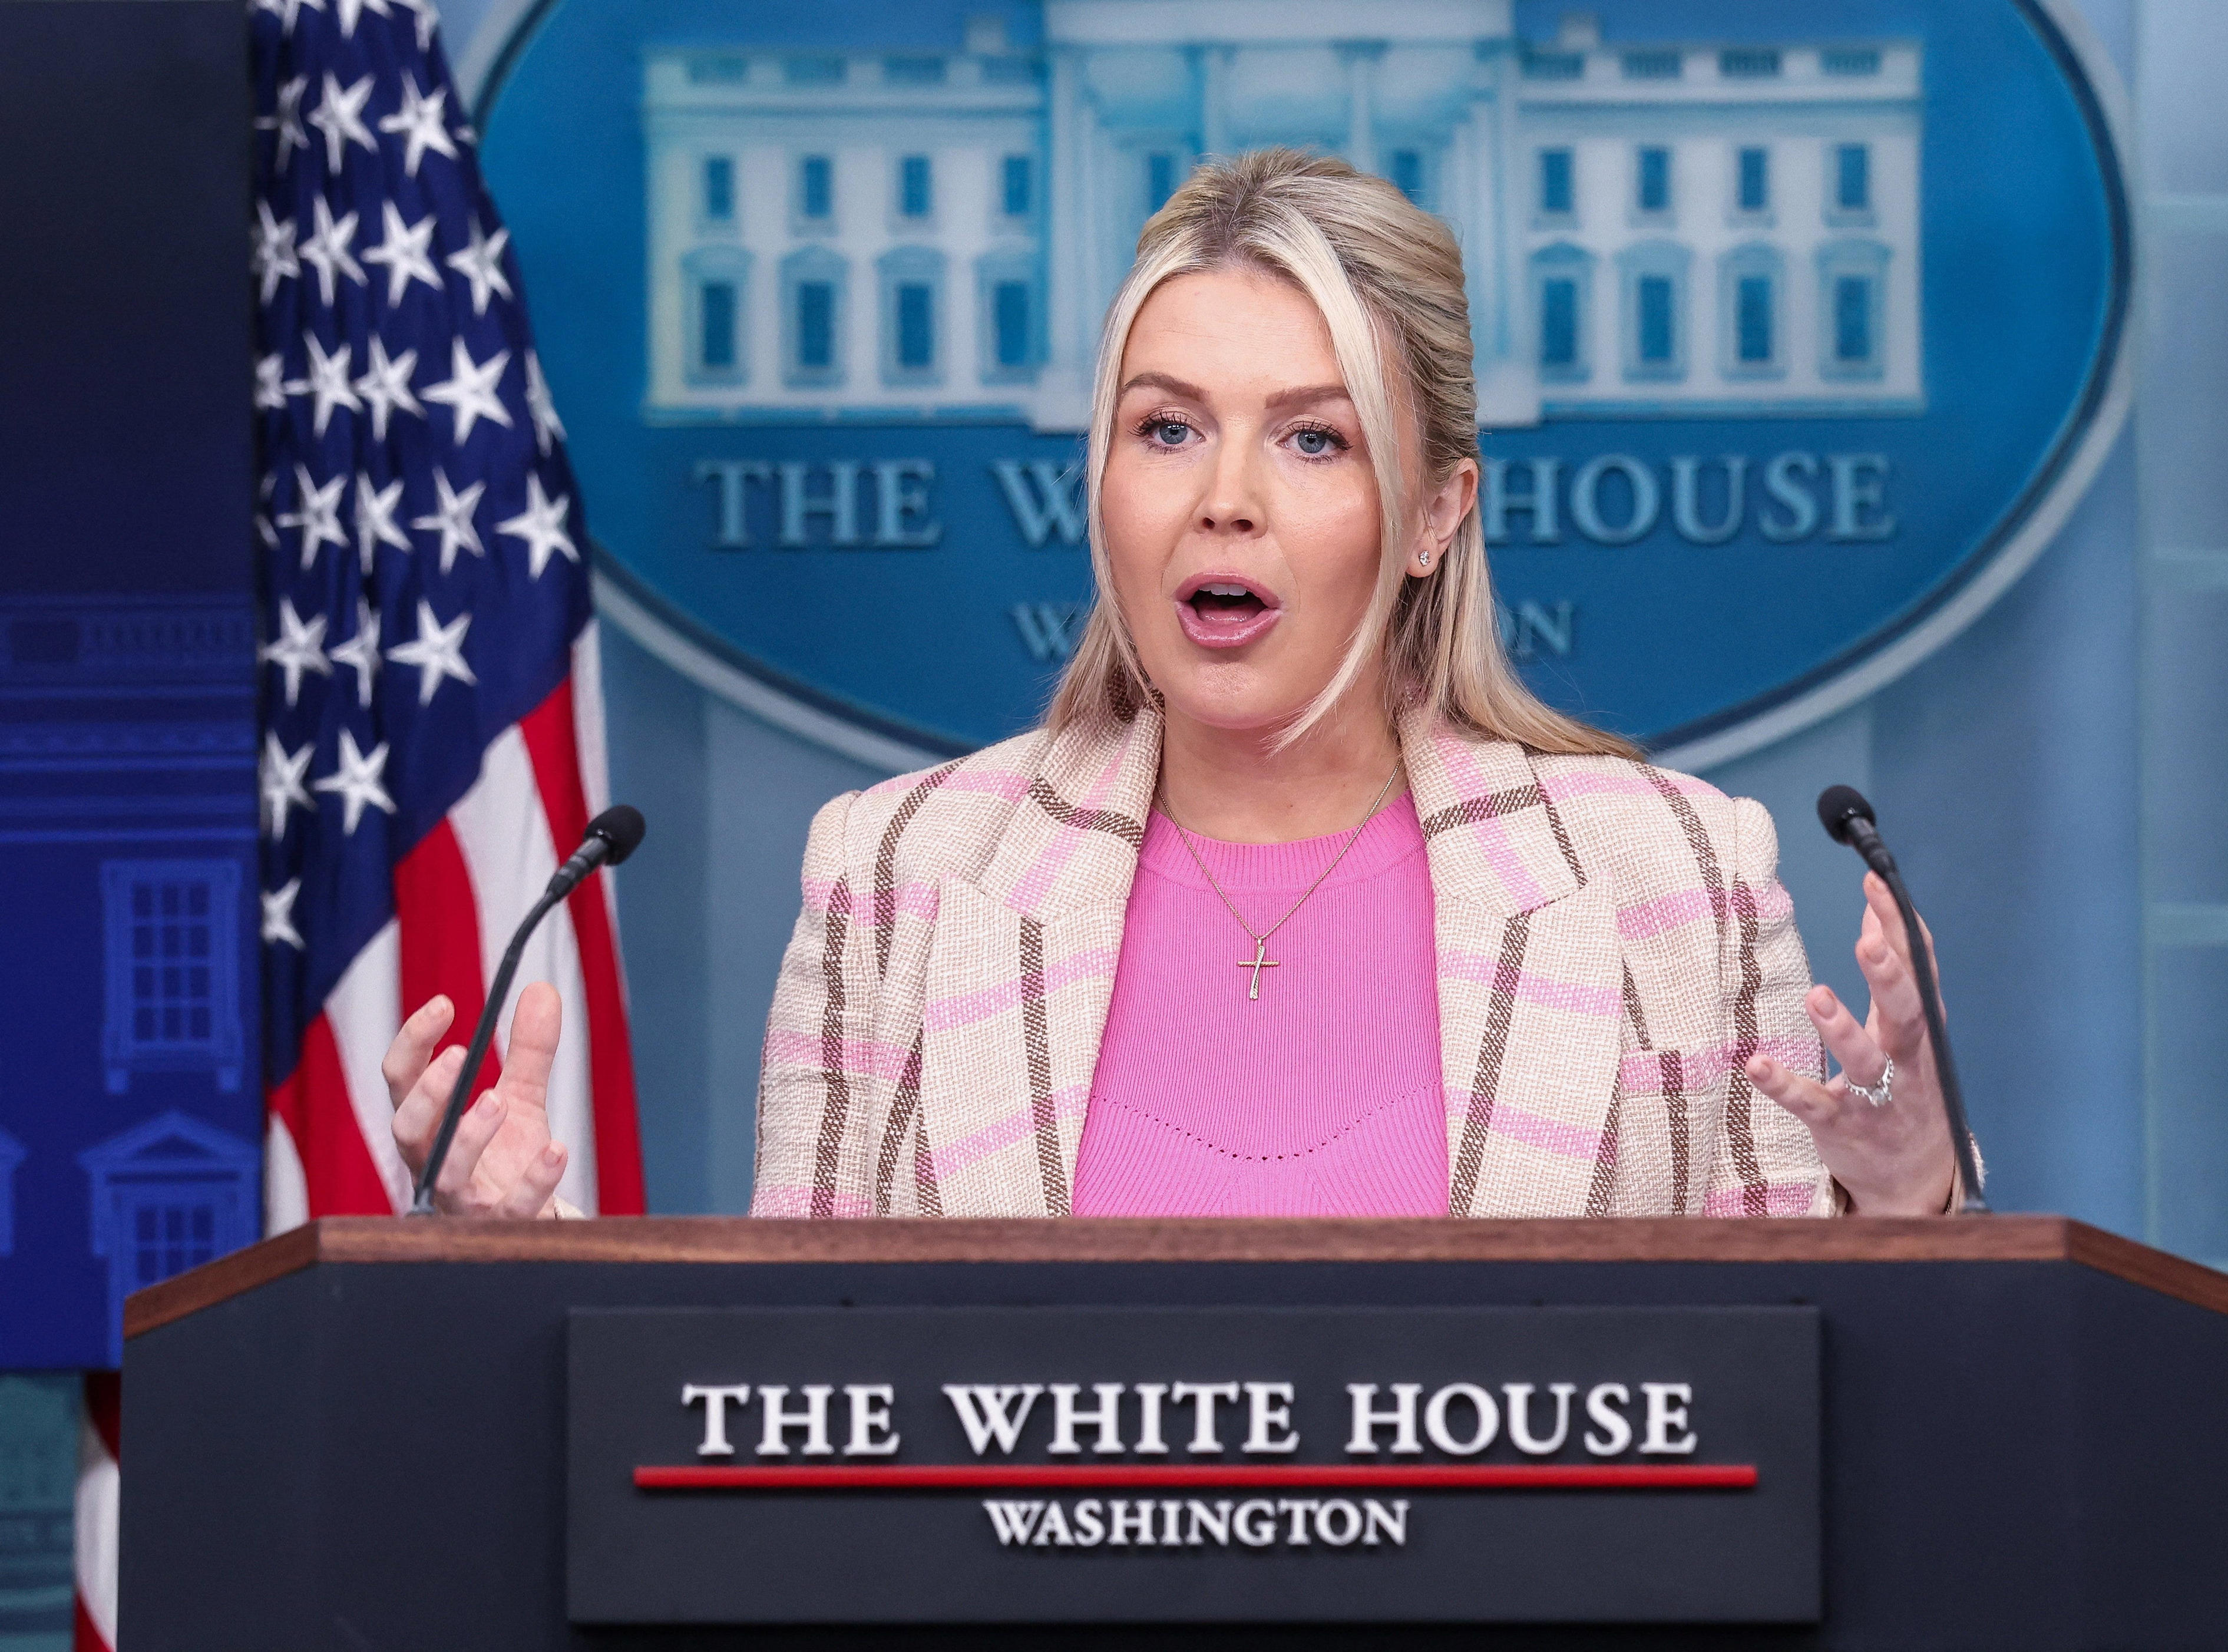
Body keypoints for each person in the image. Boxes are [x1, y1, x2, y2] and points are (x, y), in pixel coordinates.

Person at [382, 148, 1966, 1222]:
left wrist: (1910, 1205)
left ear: (1434, 512)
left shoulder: (1670, 880)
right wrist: (499, 1263)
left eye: (1312, 435)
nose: (1225, 497)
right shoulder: (898, 877)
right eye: (1166, 426)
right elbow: (800, 1426)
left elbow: (1808, 1422)